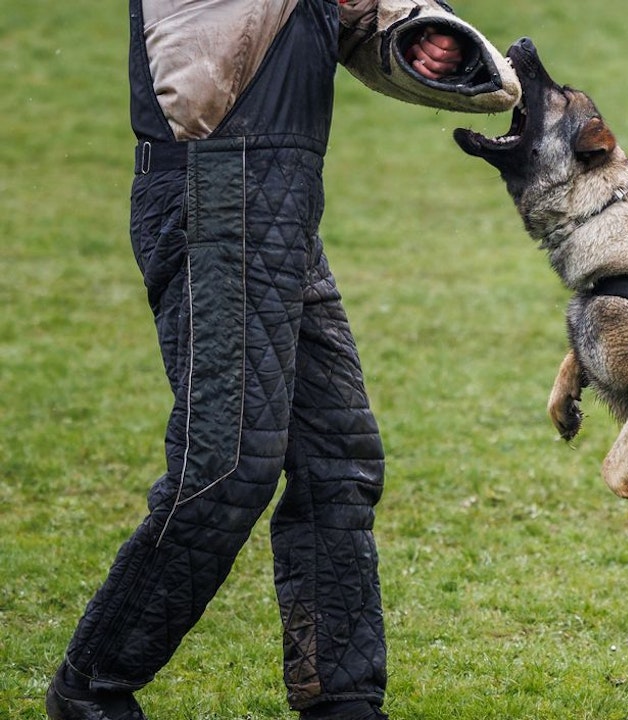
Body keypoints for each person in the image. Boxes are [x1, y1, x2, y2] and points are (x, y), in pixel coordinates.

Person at [46, 2, 518, 719]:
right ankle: (92, 688)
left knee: (337, 461)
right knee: (228, 467)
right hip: (216, 187)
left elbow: (359, 14)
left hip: (279, 200)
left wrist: (427, 41)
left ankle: (342, 699)